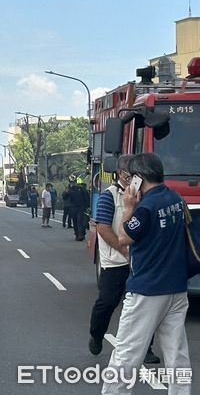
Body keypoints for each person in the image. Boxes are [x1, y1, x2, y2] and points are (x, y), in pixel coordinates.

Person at [102, 153, 190, 394]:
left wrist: (130, 207)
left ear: (140, 179)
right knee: (176, 353)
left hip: (147, 290)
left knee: (126, 353)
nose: (129, 183)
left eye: (131, 178)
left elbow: (123, 237)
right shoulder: (175, 197)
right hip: (176, 288)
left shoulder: (146, 208)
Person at [88, 154, 159, 364]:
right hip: (116, 261)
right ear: (121, 173)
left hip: (141, 262)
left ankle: (145, 347)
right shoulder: (109, 196)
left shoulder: (145, 194)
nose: (136, 178)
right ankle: (97, 334)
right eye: (131, 173)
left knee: (144, 305)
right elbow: (102, 227)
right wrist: (124, 250)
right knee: (107, 302)